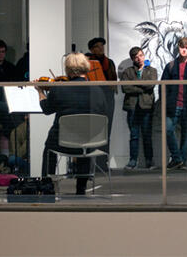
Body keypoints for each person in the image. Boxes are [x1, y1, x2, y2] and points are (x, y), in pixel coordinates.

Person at [35, 52, 107, 195]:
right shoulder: (98, 90)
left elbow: (47, 109)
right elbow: (102, 111)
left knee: (49, 148)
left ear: (67, 69)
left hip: (63, 143)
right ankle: (81, 188)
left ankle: (47, 185)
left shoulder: (59, 89)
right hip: (91, 141)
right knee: (84, 145)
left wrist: (40, 91)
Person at [160, 37, 187, 170]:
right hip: (172, 106)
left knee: (186, 135)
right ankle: (178, 159)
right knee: (168, 130)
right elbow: (163, 86)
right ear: (178, 48)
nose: (184, 50)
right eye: (182, 47)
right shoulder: (170, 66)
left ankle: (181, 162)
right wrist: (166, 101)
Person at [121, 46, 157, 169]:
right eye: (136, 57)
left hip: (146, 106)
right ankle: (132, 160)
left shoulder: (152, 70)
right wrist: (142, 87)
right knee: (134, 136)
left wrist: (135, 83)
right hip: (132, 107)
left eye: (141, 55)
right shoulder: (127, 72)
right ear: (132, 59)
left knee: (147, 135)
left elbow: (151, 85)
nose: (139, 58)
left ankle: (149, 161)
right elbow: (125, 88)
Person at [86, 37, 117, 166]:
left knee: (106, 129)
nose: (101, 48)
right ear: (92, 49)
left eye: (101, 46)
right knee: (93, 129)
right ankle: (89, 162)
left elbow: (113, 80)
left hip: (107, 97)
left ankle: (102, 162)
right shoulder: (87, 62)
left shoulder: (109, 62)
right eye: (97, 46)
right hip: (92, 97)